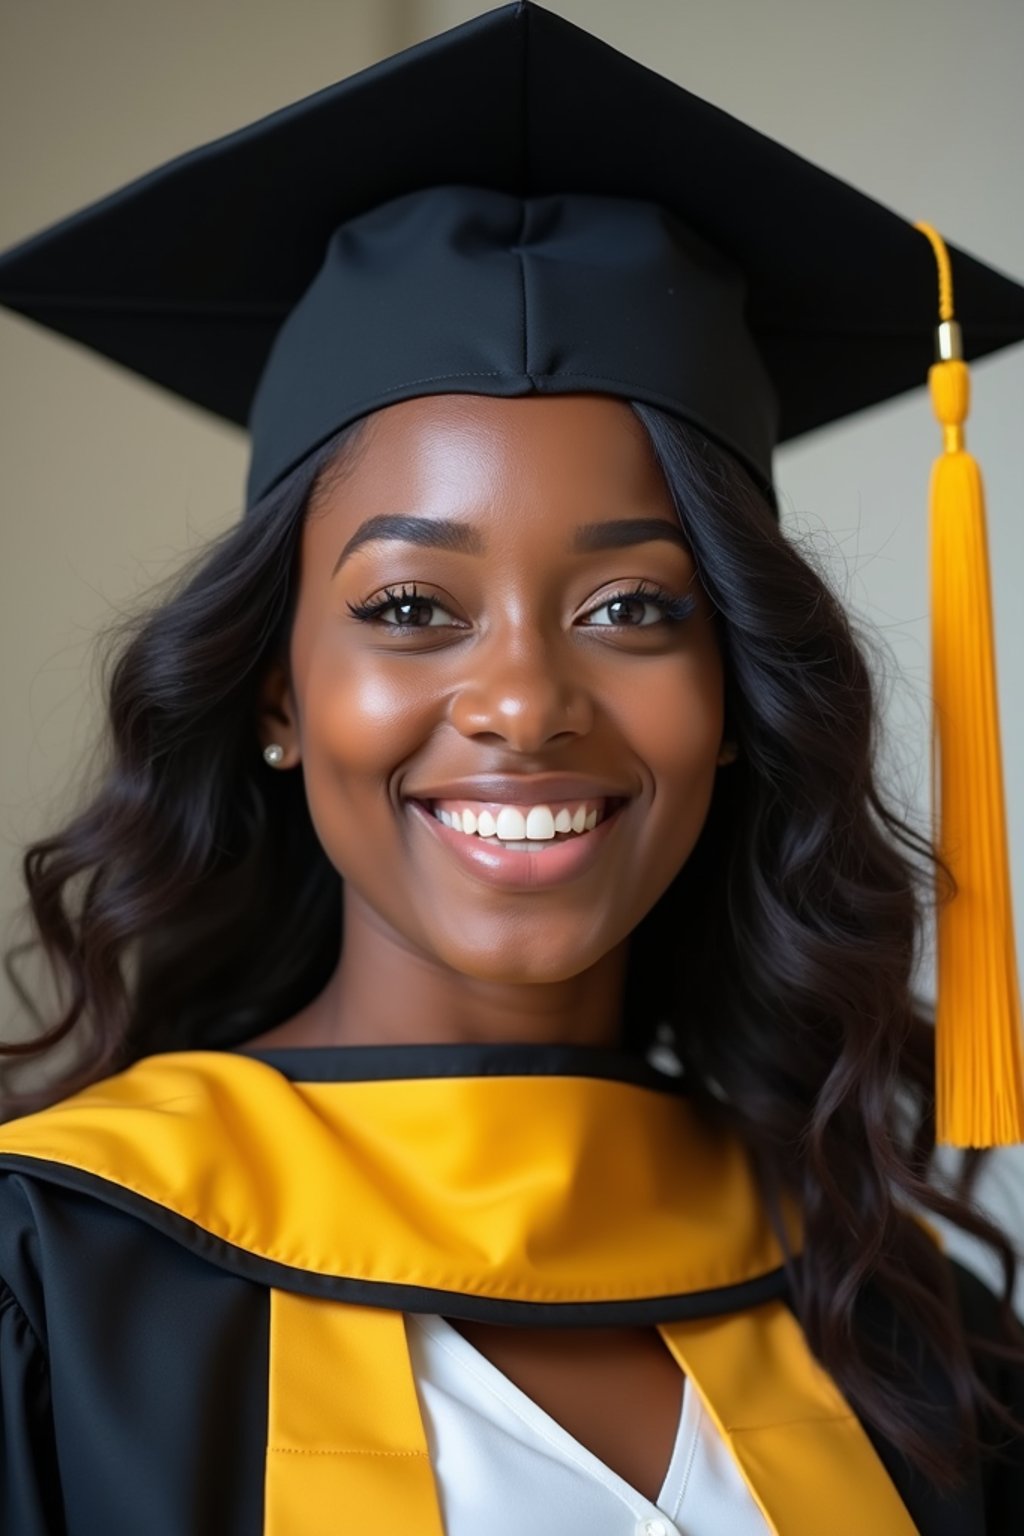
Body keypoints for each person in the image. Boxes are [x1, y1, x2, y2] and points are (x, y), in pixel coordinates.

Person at [0, 3, 1022, 1533]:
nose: (526, 702)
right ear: (276, 694)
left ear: (737, 687)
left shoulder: (904, 1322)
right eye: (411, 609)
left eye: (635, 609)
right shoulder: (48, 1284)